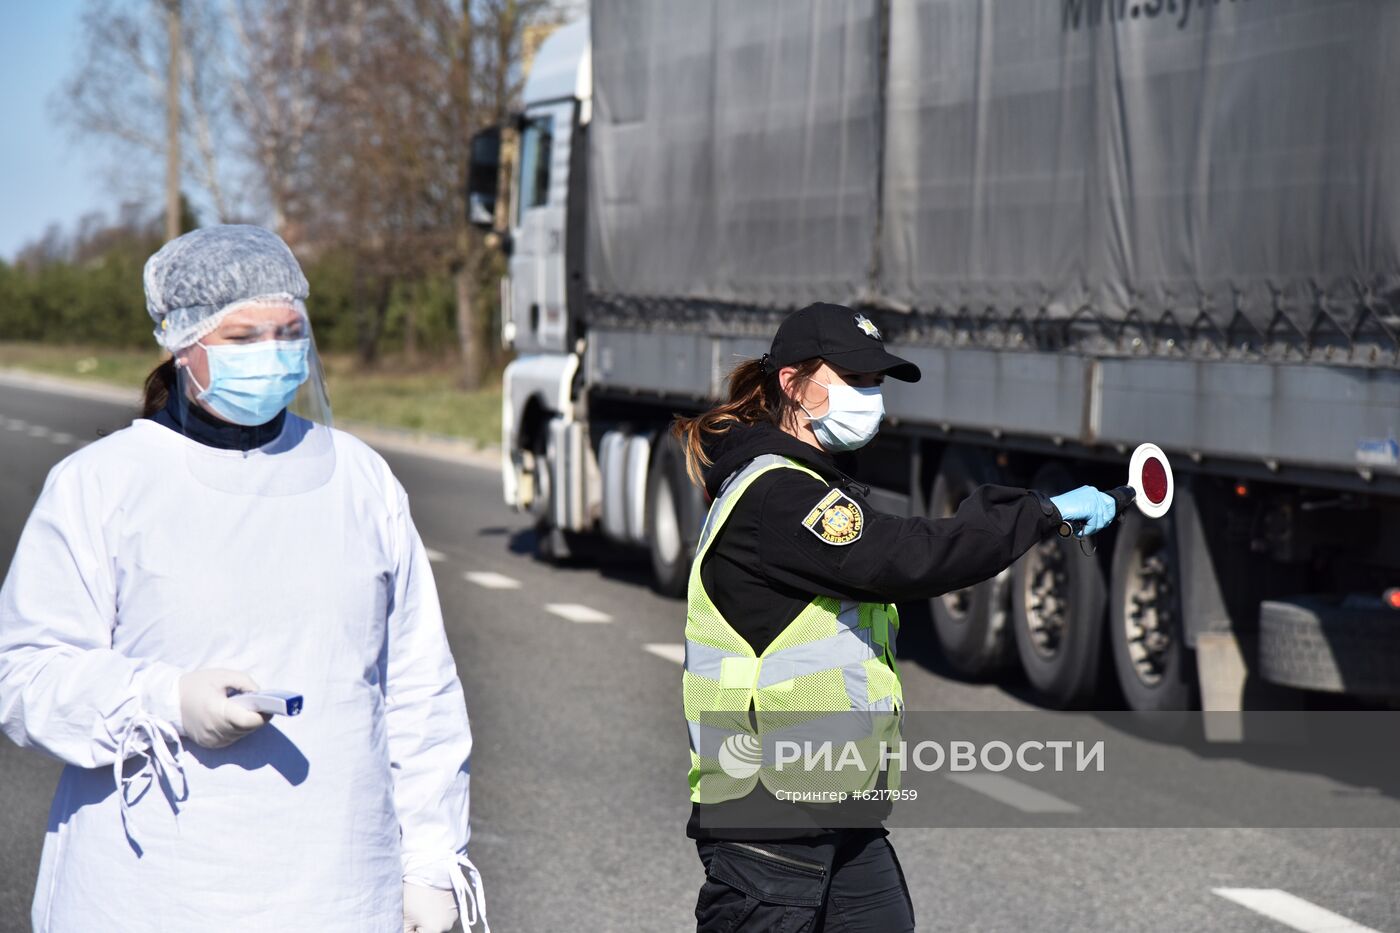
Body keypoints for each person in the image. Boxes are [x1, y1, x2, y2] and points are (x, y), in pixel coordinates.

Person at [0, 225, 488, 933]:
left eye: (288, 332)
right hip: (148, 890)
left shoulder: (359, 479)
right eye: (242, 338)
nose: (272, 353)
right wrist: (165, 699)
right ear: (180, 340)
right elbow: (23, 674)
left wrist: (434, 859)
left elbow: (420, 690)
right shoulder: (101, 484)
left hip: (338, 888)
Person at [673, 302, 1118, 932]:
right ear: (793, 383)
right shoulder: (779, 494)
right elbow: (910, 557)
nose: (870, 396)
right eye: (853, 380)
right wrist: (1038, 513)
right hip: (770, 822)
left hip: (838, 811)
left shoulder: (806, 483)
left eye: (876, 381)